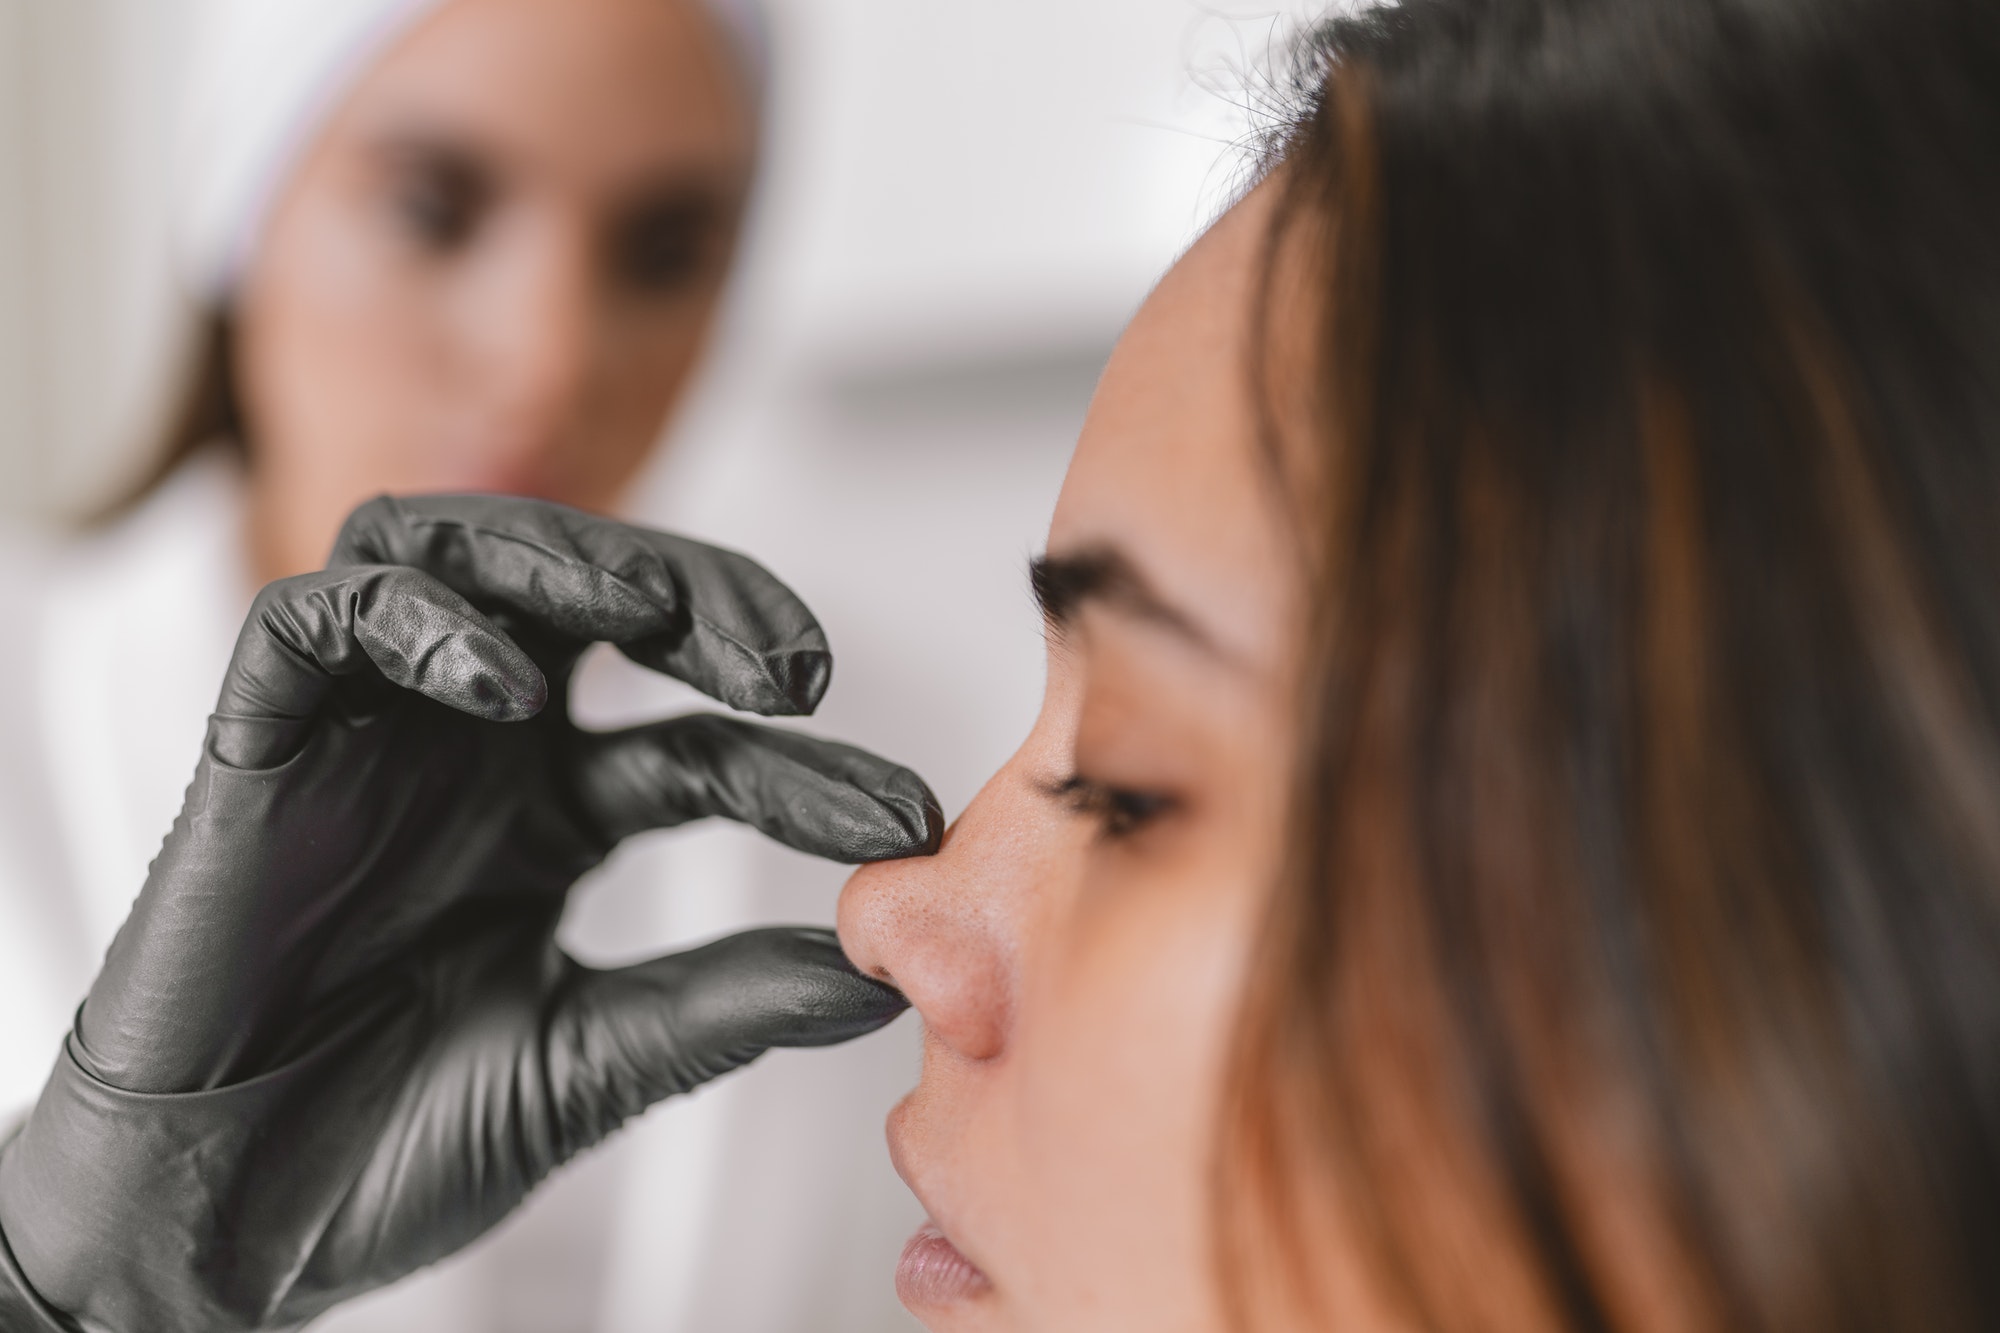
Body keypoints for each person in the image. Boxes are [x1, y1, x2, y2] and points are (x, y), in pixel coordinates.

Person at [6, 0, 2000, 1328]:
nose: (886, 918)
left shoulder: (849, 734)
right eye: (436, 206)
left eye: (1125, 777)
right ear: (236, 205)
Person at [0, 0, 932, 1327]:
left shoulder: (910, 775)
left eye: (664, 250)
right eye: (432, 210)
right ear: (239, 192)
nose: (551, 359)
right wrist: (58, 1289)